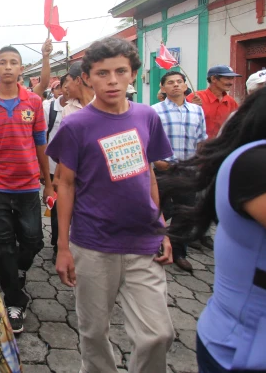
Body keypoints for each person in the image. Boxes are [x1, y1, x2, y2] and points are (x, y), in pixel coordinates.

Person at [159, 24, 266, 372]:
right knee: (173, 212)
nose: (227, 82)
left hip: (196, 165)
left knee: (185, 212)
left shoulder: (213, 110)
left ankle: (183, 247)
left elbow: (206, 134)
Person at [47, 37, 175, 373]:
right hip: (93, 244)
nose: (113, 80)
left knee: (157, 335)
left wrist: (161, 228)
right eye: (102, 73)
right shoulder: (76, 125)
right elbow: (67, 183)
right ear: (87, 77)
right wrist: (63, 246)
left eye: (121, 71)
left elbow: (149, 175)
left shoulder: (147, 117)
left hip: (142, 242)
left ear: (133, 73)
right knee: (93, 332)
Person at [0, 46, 53, 333]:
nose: (8, 67)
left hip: (29, 186)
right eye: (3, 63)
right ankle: (13, 300)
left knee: (33, 240)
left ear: (22, 69)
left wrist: (49, 182)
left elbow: (41, 143)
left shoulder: (33, 101)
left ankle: (16, 269)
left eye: (14, 63)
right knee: (2, 246)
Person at [151, 71, 208, 272]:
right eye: (170, 83)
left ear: (185, 86)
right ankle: (154, 243)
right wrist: (157, 161)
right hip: (165, 169)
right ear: (163, 88)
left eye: (179, 82)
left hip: (188, 169)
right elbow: (147, 140)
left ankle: (179, 252)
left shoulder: (197, 111)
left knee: (185, 213)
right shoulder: (154, 111)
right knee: (160, 209)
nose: (175, 85)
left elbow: (202, 138)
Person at [48, 62, 95, 259]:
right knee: (62, 211)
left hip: (94, 177)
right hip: (72, 173)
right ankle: (62, 246)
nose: (65, 87)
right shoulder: (69, 109)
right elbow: (65, 150)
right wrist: (57, 177)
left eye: (67, 82)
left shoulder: (103, 106)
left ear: (79, 80)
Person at [187, 64, 241, 138]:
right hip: (199, 146)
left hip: (222, 147)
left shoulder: (231, 102)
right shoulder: (195, 98)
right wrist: (191, 108)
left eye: (232, 79)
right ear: (213, 79)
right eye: (227, 78)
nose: (231, 82)